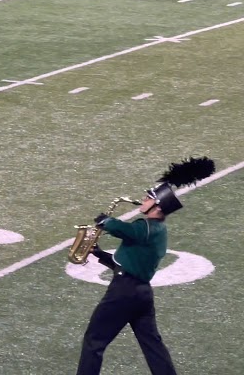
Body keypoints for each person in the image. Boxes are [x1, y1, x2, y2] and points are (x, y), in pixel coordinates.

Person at [77, 157, 215, 375]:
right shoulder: (159, 232)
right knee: (152, 345)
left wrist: (107, 221)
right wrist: (99, 254)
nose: (142, 199)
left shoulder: (148, 227)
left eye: (148, 197)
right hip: (141, 293)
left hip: (123, 293)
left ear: (157, 205)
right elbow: (130, 263)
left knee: (94, 341)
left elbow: (130, 232)